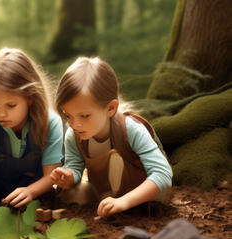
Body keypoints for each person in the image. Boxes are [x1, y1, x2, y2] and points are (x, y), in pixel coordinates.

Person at [50, 57, 172, 218]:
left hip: (146, 201)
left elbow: (163, 175)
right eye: (68, 116)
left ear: (110, 108)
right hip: (108, 197)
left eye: (84, 115)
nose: (74, 124)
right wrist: (69, 177)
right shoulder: (74, 135)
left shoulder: (131, 130)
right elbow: (75, 165)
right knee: (69, 196)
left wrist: (124, 201)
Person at [0, 48, 64, 220]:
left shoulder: (50, 122)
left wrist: (31, 191)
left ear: (30, 97)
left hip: (31, 189)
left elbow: (51, 175)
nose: (1, 114)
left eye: (11, 105)